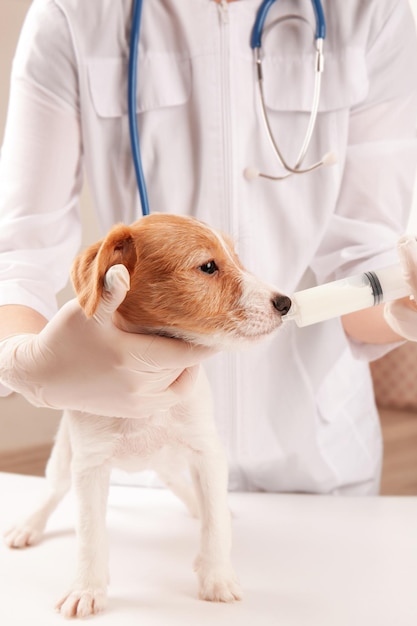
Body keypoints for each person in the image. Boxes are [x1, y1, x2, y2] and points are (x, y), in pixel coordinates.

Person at [1, 0, 417, 496]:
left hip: (318, 468)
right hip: (147, 463)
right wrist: (20, 359)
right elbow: (18, 247)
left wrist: (404, 305)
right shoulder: (74, 13)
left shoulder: (376, 11)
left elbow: (368, 265)